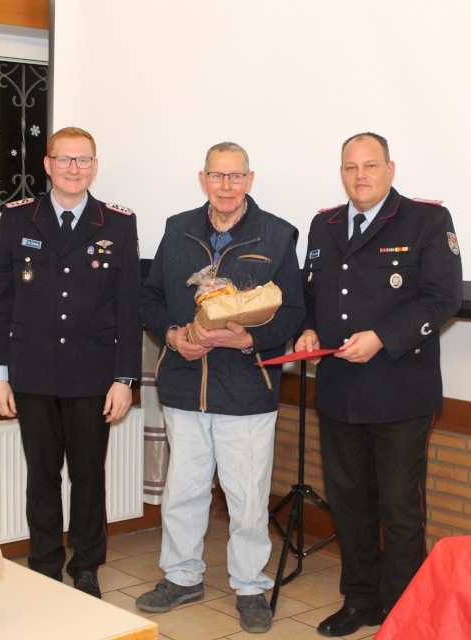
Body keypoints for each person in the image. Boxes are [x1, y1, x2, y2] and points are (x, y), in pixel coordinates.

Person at [295, 132, 462, 637]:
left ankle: (405, 610)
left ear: (390, 169)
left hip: (399, 390)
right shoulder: (323, 224)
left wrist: (382, 338)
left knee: (399, 508)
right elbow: (311, 295)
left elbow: (443, 298)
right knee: (350, 504)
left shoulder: (427, 220)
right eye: (350, 167)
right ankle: (361, 600)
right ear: (341, 172)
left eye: (370, 165)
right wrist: (307, 329)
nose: (359, 175)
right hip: (339, 390)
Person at [137, 142, 305, 633]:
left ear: (250, 180)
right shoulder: (177, 229)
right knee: (183, 493)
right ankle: (182, 576)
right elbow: (149, 300)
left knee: (247, 499)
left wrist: (249, 337)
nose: (226, 186)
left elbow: (294, 312)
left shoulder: (276, 234)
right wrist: (170, 335)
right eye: (217, 176)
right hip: (185, 387)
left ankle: (250, 585)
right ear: (203, 179)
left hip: (247, 392)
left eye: (236, 177)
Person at [0, 126, 141, 598]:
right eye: (65, 159)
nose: (74, 169)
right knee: (42, 475)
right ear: (48, 165)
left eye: (83, 160)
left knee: (90, 477)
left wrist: (124, 378)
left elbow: (129, 307)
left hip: (94, 375)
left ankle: (87, 564)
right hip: (31, 374)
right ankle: (46, 563)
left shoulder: (117, 223)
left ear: (95, 166)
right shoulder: (17, 219)